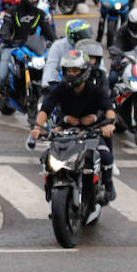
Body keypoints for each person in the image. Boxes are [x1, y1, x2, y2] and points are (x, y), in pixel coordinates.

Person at [30, 49, 116, 201]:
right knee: (48, 159)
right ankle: (50, 188)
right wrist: (37, 128)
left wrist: (109, 124)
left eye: (75, 70)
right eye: (68, 70)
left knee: (105, 156)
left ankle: (108, 187)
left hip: (92, 132)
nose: (71, 74)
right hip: (66, 131)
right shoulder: (62, 88)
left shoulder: (95, 90)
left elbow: (109, 109)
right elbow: (46, 108)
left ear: (84, 71)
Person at [0, 0, 56, 118]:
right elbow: (6, 26)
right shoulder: (13, 11)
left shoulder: (39, 14)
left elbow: (48, 31)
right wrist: (6, 36)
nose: (33, 0)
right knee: (3, 75)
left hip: (32, 48)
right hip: (12, 47)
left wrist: (55, 41)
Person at [43, 18, 93, 86]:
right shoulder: (58, 46)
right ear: (72, 36)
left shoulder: (90, 45)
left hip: (86, 83)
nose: (86, 39)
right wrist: (47, 86)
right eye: (82, 35)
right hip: (65, 84)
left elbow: (100, 66)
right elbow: (51, 67)